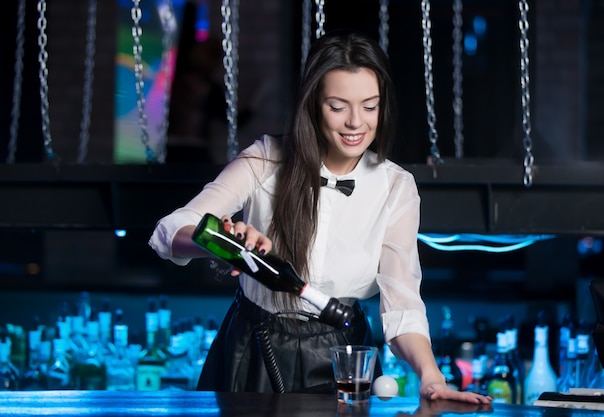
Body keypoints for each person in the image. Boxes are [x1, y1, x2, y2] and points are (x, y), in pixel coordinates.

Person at [149, 29, 491, 404]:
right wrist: (222, 246)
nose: (356, 122)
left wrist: (430, 376)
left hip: (344, 354)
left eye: (370, 105)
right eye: (338, 105)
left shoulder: (396, 187)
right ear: (313, 104)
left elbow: (403, 304)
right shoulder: (265, 159)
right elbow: (170, 231)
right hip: (252, 346)